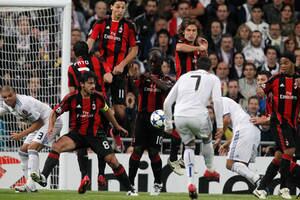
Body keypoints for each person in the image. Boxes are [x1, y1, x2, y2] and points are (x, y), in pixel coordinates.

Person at [31, 71, 137, 196]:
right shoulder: (71, 98)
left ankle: (130, 188)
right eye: (90, 83)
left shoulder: (98, 98)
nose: (93, 86)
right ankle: (43, 177)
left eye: (94, 83)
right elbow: (54, 113)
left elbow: (107, 112)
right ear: (82, 84)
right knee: (56, 147)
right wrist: (51, 126)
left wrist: (117, 126)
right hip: (77, 135)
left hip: (96, 135)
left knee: (112, 160)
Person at [164, 57, 223, 200]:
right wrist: (220, 125)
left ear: (196, 66)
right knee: (207, 140)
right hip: (198, 115)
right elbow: (217, 101)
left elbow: (167, 102)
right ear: (210, 67)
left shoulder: (184, 77)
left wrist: (168, 124)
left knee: (188, 146)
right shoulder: (213, 78)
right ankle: (210, 169)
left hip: (179, 116)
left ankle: (190, 183)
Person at [87, 0, 139, 152]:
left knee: (121, 112)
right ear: (111, 7)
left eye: (123, 7)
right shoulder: (101, 23)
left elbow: (134, 50)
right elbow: (89, 42)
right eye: (117, 7)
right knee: (97, 107)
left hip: (119, 73)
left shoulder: (129, 26)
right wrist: (83, 57)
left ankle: (114, 131)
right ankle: (93, 142)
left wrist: (122, 65)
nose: (120, 10)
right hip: (102, 72)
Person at [252, 53, 300, 200]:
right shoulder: (276, 79)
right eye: (281, 63)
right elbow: (261, 90)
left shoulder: (298, 80)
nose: (283, 66)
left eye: (286, 63)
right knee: (290, 150)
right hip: (279, 122)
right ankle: (284, 187)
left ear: (292, 63)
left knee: (280, 156)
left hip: (292, 124)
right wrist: (262, 87)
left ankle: (261, 188)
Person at [0, 86, 62, 192]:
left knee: (32, 147)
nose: (7, 99)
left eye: (10, 96)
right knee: (22, 151)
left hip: (51, 122)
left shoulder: (24, 104)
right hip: (39, 124)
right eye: (4, 97)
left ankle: (32, 181)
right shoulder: (7, 103)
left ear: (15, 93)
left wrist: (21, 135)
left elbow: (39, 123)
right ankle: (31, 185)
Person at [128, 48, 173, 196]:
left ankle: (157, 183)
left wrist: (152, 78)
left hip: (157, 118)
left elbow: (166, 88)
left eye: (156, 62)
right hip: (142, 118)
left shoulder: (165, 79)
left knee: (154, 151)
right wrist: (136, 75)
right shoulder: (143, 77)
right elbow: (133, 84)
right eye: (151, 61)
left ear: (161, 63)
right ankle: (130, 185)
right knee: (137, 150)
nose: (152, 64)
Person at [68, 41, 109, 193]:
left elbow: (72, 91)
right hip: (100, 104)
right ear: (88, 50)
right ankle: (101, 174)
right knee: (101, 139)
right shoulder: (98, 61)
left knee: (81, 142)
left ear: (75, 52)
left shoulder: (72, 68)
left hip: (82, 106)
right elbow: (108, 78)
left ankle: (84, 175)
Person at [218, 97, 261, 187]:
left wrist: (219, 136)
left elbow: (226, 120)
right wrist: (227, 143)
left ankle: (257, 178)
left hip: (244, 130)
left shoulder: (222, 100)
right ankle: (260, 187)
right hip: (253, 132)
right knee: (243, 166)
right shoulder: (238, 111)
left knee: (230, 164)